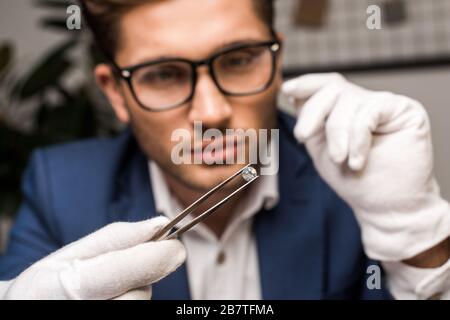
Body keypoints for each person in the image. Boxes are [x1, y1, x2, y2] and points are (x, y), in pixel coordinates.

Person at [1, 0, 449, 300]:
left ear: (275, 62)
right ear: (115, 93)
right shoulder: (61, 188)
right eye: (164, 74)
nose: (212, 112)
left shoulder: (352, 178)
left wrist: (417, 236)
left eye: (237, 61)